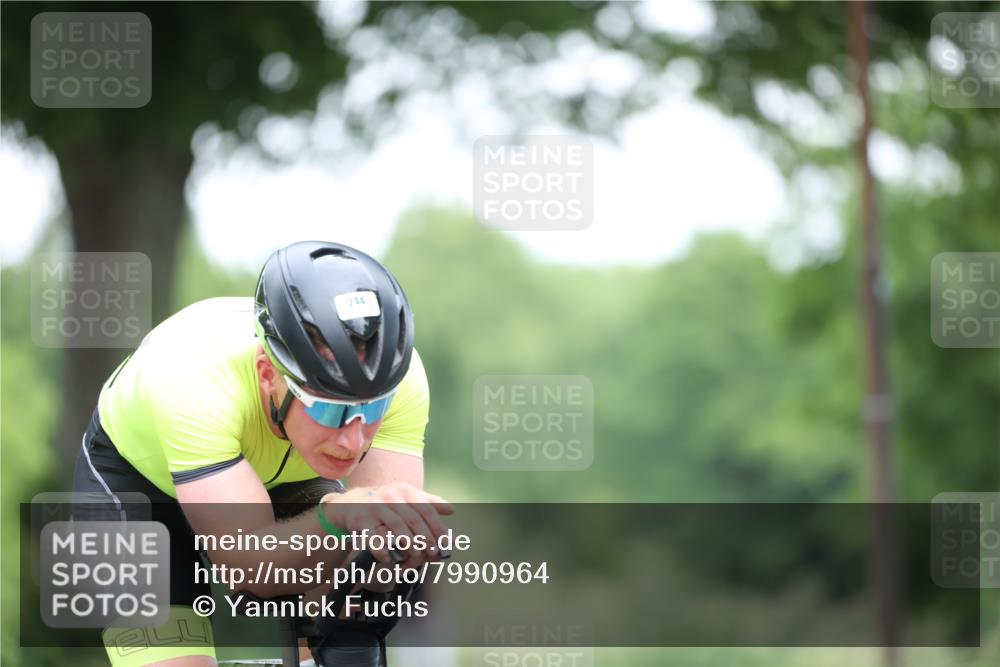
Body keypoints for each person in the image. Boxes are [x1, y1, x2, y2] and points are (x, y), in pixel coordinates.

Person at [72, 241, 452, 667]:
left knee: (351, 619)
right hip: (135, 487)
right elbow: (249, 570)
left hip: (288, 467)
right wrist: (339, 515)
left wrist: (395, 552)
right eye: (329, 407)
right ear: (269, 375)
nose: (353, 441)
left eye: (373, 408)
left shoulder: (400, 378)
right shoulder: (192, 379)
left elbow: (372, 554)